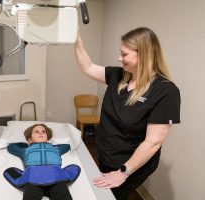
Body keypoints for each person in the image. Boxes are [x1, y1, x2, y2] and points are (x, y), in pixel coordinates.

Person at [74, 27, 181, 200]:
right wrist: (76, 39)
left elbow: (153, 142)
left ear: (144, 55)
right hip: (106, 155)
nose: (119, 58)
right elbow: (88, 67)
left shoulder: (165, 92)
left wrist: (123, 173)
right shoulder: (119, 76)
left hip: (129, 166)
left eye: (124, 54)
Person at [3, 123, 81, 200]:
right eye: (36, 132)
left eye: (43, 132)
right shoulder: (25, 150)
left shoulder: (56, 149)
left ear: (47, 138)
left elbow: (67, 146)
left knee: (63, 196)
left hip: (56, 179)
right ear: (30, 139)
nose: (41, 133)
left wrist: (52, 143)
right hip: (33, 180)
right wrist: (25, 143)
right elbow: (11, 147)